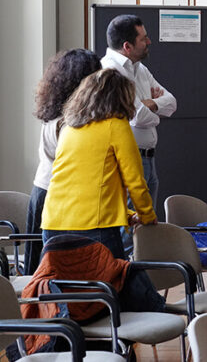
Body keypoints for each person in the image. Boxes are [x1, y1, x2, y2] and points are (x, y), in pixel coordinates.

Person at [41, 68, 158, 258]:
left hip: (53, 222)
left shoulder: (70, 127)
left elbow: (83, 183)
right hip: (94, 226)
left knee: (67, 286)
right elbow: (135, 181)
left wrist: (127, 215)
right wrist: (147, 216)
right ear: (122, 98)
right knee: (116, 283)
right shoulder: (116, 125)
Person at [25, 49, 101, 274]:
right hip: (58, 196)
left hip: (42, 190)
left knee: (36, 268)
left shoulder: (53, 111)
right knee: (51, 268)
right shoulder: (70, 121)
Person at [101, 14, 177, 205]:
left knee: (147, 227)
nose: (149, 41)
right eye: (143, 39)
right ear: (127, 46)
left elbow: (172, 102)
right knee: (130, 227)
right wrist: (154, 108)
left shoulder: (140, 69)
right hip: (128, 160)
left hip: (148, 159)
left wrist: (149, 103)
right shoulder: (111, 71)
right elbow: (139, 117)